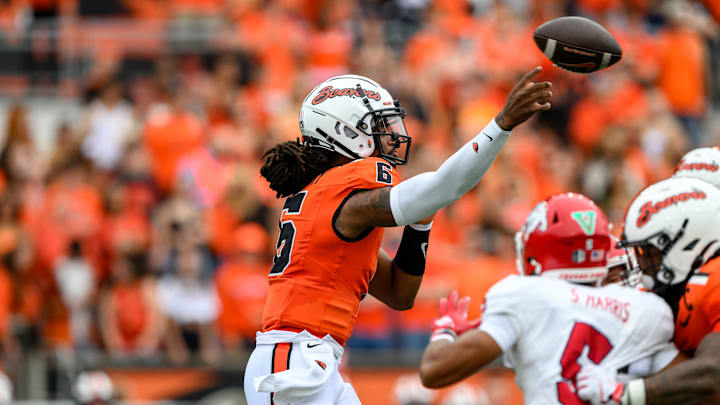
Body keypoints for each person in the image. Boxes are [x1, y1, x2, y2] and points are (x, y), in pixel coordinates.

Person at [244, 68, 553, 405]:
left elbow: (399, 293)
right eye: (377, 126)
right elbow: (445, 185)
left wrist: (420, 225)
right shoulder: (343, 196)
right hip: (294, 361)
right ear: (343, 130)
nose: (390, 135)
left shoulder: (329, 203)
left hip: (307, 359)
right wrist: (501, 124)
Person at [418, 193, 680, 405]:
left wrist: (445, 331)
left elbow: (434, 371)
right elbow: (696, 384)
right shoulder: (649, 309)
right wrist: (625, 392)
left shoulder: (523, 295)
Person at [577, 157, 720, 405]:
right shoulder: (682, 285)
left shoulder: (713, 281)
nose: (642, 265)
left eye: (651, 253)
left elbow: (712, 374)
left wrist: (627, 393)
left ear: (689, 242)